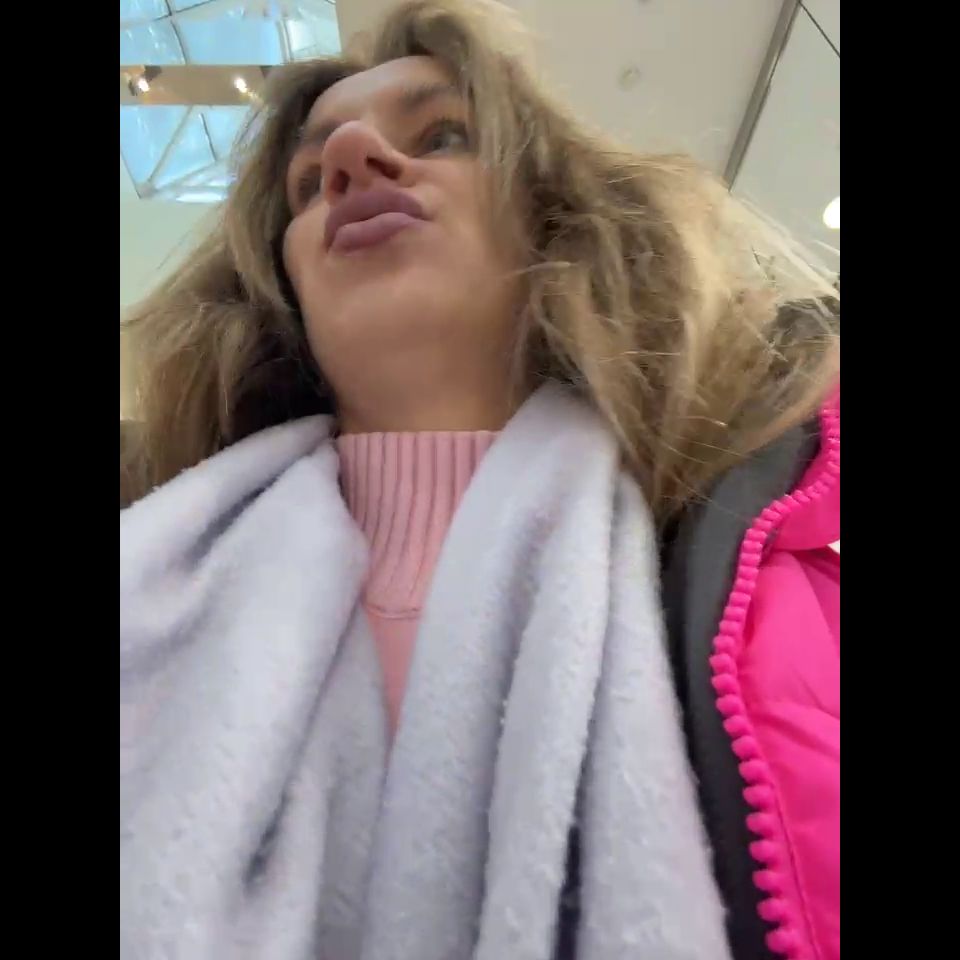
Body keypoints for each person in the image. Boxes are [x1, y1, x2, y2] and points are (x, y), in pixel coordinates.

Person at [119, 2, 839, 958]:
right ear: (282, 282)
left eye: (442, 136)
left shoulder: (786, 590)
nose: (353, 162)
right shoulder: (146, 582)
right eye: (309, 181)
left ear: (557, 216)